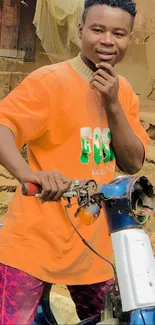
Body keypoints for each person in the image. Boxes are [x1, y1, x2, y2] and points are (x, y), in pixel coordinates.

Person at [0, 0, 150, 324]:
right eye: (97, 29)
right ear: (81, 30)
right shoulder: (49, 81)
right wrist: (27, 173)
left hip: (93, 243)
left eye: (118, 33)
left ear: (129, 38)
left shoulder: (123, 92)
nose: (108, 40)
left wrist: (112, 103)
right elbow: (3, 126)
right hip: (34, 239)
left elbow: (134, 160)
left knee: (118, 317)